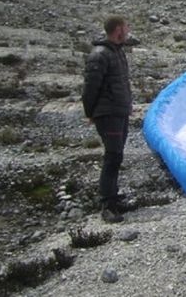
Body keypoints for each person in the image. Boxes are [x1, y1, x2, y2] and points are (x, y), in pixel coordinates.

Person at [82, 15, 133, 223]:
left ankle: (113, 198)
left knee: (117, 155)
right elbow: (90, 87)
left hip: (119, 111)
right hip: (108, 113)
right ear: (118, 29)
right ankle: (107, 204)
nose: (128, 30)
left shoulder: (117, 52)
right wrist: (90, 113)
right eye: (126, 27)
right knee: (112, 156)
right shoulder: (100, 54)